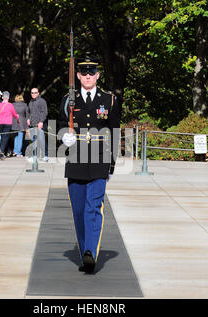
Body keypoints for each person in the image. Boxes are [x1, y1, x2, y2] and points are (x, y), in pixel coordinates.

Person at [58, 57, 120, 273]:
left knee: (93, 207)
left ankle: (90, 252)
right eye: (84, 73)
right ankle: (85, 250)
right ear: (78, 76)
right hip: (75, 160)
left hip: (99, 161)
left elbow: (114, 133)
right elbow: (59, 127)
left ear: (97, 75)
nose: (87, 76)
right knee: (78, 210)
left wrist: (111, 165)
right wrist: (64, 137)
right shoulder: (68, 100)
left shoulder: (109, 100)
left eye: (91, 72)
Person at [28, 87, 48, 161]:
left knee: (41, 140)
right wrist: (28, 119)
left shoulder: (42, 101)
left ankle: (45, 155)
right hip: (33, 124)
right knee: (34, 140)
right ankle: (34, 156)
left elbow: (45, 112)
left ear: (38, 93)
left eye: (35, 92)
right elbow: (29, 112)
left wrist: (41, 121)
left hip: (41, 124)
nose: (33, 94)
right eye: (32, 93)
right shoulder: (31, 101)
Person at [0, 91, 19, 156]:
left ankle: (4, 152)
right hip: (8, 123)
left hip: (0, 123)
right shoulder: (10, 105)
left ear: (2, 97)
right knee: (5, 138)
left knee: (2, 137)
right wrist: (17, 118)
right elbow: (14, 114)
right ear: (8, 97)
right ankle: (1, 152)